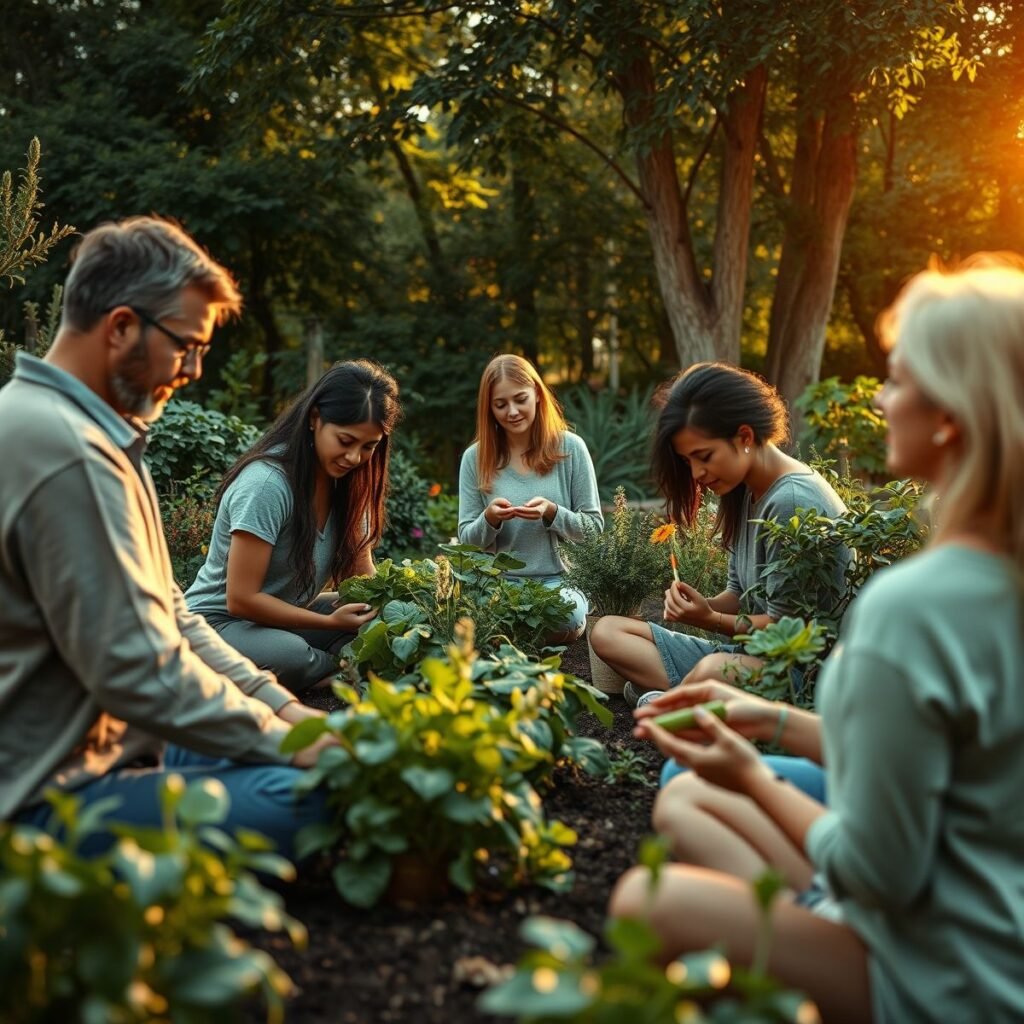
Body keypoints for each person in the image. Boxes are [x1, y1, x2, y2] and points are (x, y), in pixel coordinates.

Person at [610, 257, 1024, 1023]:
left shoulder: (916, 608)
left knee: (645, 897)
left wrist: (757, 775)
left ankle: (815, 938)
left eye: (898, 380)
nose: (878, 394)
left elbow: (883, 870)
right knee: (687, 798)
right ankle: (810, 919)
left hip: (957, 976)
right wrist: (767, 724)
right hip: (984, 897)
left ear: (952, 416)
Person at [0, 216, 332, 858]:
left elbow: (172, 618)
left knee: (295, 761)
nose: (195, 369)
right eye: (187, 345)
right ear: (121, 326)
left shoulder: (87, 432)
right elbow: (139, 669)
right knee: (315, 797)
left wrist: (283, 712)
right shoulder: (67, 451)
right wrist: (289, 741)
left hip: (110, 744)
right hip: (44, 793)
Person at [589, 362, 849, 709]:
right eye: (688, 462)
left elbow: (786, 630)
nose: (697, 474)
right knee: (607, 632)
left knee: (711, 668)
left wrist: (710, 621)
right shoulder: (745, 490)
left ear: (744, 437)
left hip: (794, 674)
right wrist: (702, 606)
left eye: (704, 456)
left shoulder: (791, 502)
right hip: (747, 656)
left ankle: (679, 701)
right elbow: (740, 593)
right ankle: (687, 699)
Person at [185, 361, 400, 693]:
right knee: (292, 655)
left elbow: (361, 577)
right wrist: (328, 623)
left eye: (368, 447)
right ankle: (336, 671)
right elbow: (241, 599)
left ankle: (330, 670)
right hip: (218, 624)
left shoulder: (349, 486)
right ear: (315, 419)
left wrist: (389, 615)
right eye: (345, 440)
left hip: (283, 618)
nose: (354, 457)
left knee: (373, 622)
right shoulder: (267, 485)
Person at [458, 353, 603, 643]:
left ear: (537, 394)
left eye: (520, 399)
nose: (512, 411)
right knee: (466, 613)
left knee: (566, 615)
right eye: (500, 405)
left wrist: (553, 513)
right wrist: (489, 519)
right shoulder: (475, 458)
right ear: (489, 408)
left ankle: (510, 634)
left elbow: (594, 530)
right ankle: (515, 631)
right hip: (499, 583)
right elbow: (466, 541)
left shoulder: (571, 448)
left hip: (560, 581)